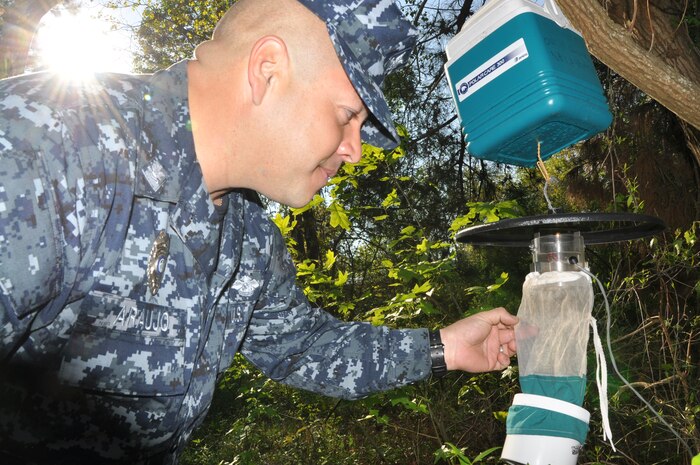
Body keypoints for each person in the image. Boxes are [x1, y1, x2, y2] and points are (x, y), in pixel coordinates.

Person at [0, 0, 518, 463]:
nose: (354, 150)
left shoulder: (248, 238)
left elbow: (303, 346)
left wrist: (444, 347)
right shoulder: (46, 148)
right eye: (347, 116)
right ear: (268, 69)